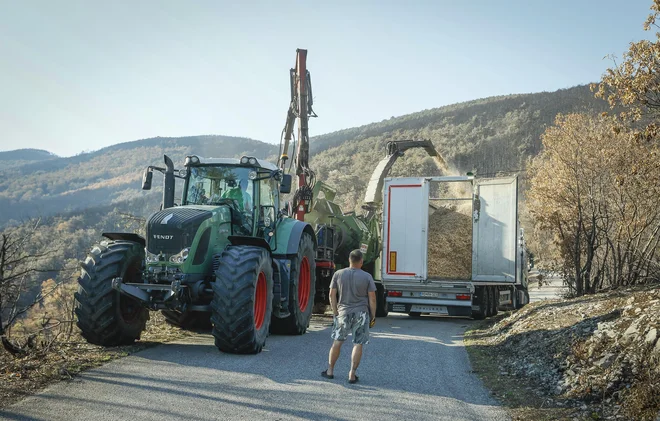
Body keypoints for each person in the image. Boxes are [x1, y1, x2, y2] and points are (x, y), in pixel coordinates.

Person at [321, 249, 377, 384]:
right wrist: (373, 316)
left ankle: (330, 371)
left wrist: (335, 312)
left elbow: (331, 295)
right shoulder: (367, 277)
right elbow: (372, 299)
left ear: (349, 260)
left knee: (337, 342)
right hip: (361, 313)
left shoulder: (338, 274)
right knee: (358, 343)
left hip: (343, 313)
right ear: (361, 261)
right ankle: (352, 374)